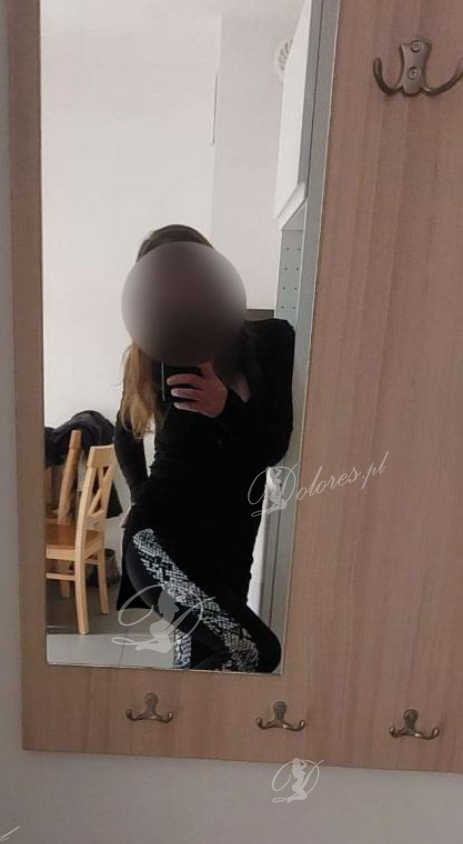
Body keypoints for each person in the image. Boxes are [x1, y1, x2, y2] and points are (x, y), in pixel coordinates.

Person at [114, 224, 294, 672]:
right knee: (257, 653)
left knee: (200, 672)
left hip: (232, 543)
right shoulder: (155, 352)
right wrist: (140, 496)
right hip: (161, 542)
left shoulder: (272, 341)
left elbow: (273, 447)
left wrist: (224, 407)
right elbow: (125, 434)